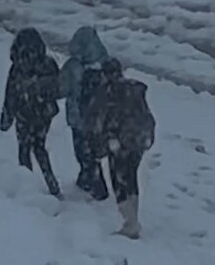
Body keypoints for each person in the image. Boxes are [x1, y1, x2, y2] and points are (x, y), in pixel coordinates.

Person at [84, 58, 155, 239]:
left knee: (119, 180)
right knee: (131, 177)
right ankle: (133, 218)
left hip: (118, 142)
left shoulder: (107, 91)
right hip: (137, 140)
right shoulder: (134, 89)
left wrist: (98, 145)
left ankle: (129, 224)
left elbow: (97, 120)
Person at [0, 28, 62, 196]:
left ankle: (28, 187)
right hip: (44, 114)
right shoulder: (48, 64)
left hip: (23, 113)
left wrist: (6, 119)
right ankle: (52, 185)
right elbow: (59, 88)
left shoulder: (18, 67)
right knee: (39, 147)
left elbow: (10, 94)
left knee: (24, 149)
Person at [57, 25, 111, 200]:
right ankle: (86, 179)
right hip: (100, 119)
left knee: (83, 153)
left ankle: (96, 187)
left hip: (78, 119)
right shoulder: (106, 63)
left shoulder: (73, 66)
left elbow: (60, 89)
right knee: (93, 151)